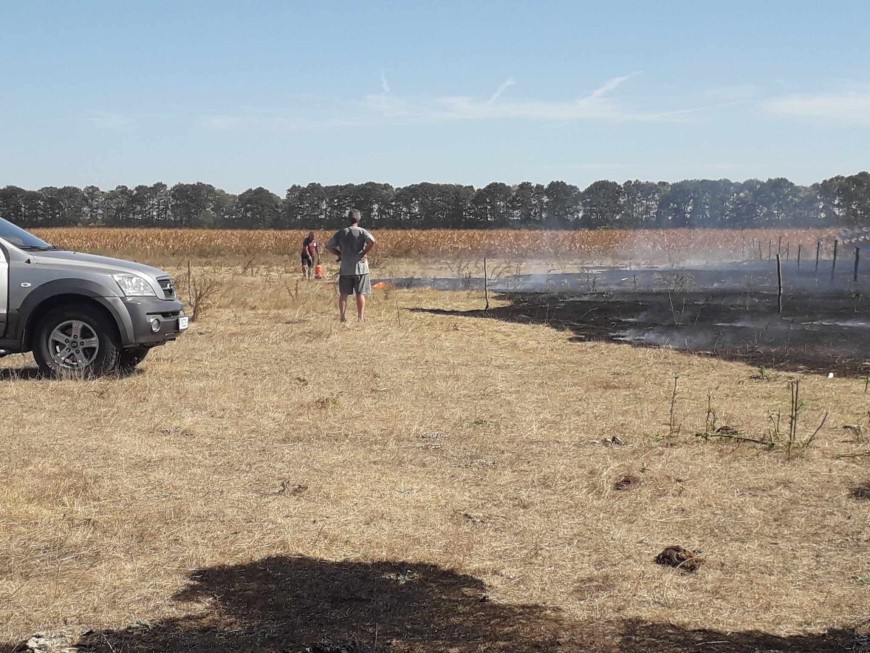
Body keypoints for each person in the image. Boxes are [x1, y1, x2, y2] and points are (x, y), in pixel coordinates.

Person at [327, 209, 376, 322]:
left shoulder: (342, 232)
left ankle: (343, 317)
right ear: (359, 219)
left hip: (345, 268)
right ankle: (360, 318)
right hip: (361, 268)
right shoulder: (362, 231)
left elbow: (329, 245)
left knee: (344, 294)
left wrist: (339, 254)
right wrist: (364, 252)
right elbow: (372, 241)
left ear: (348, 219)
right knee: (360, 293)